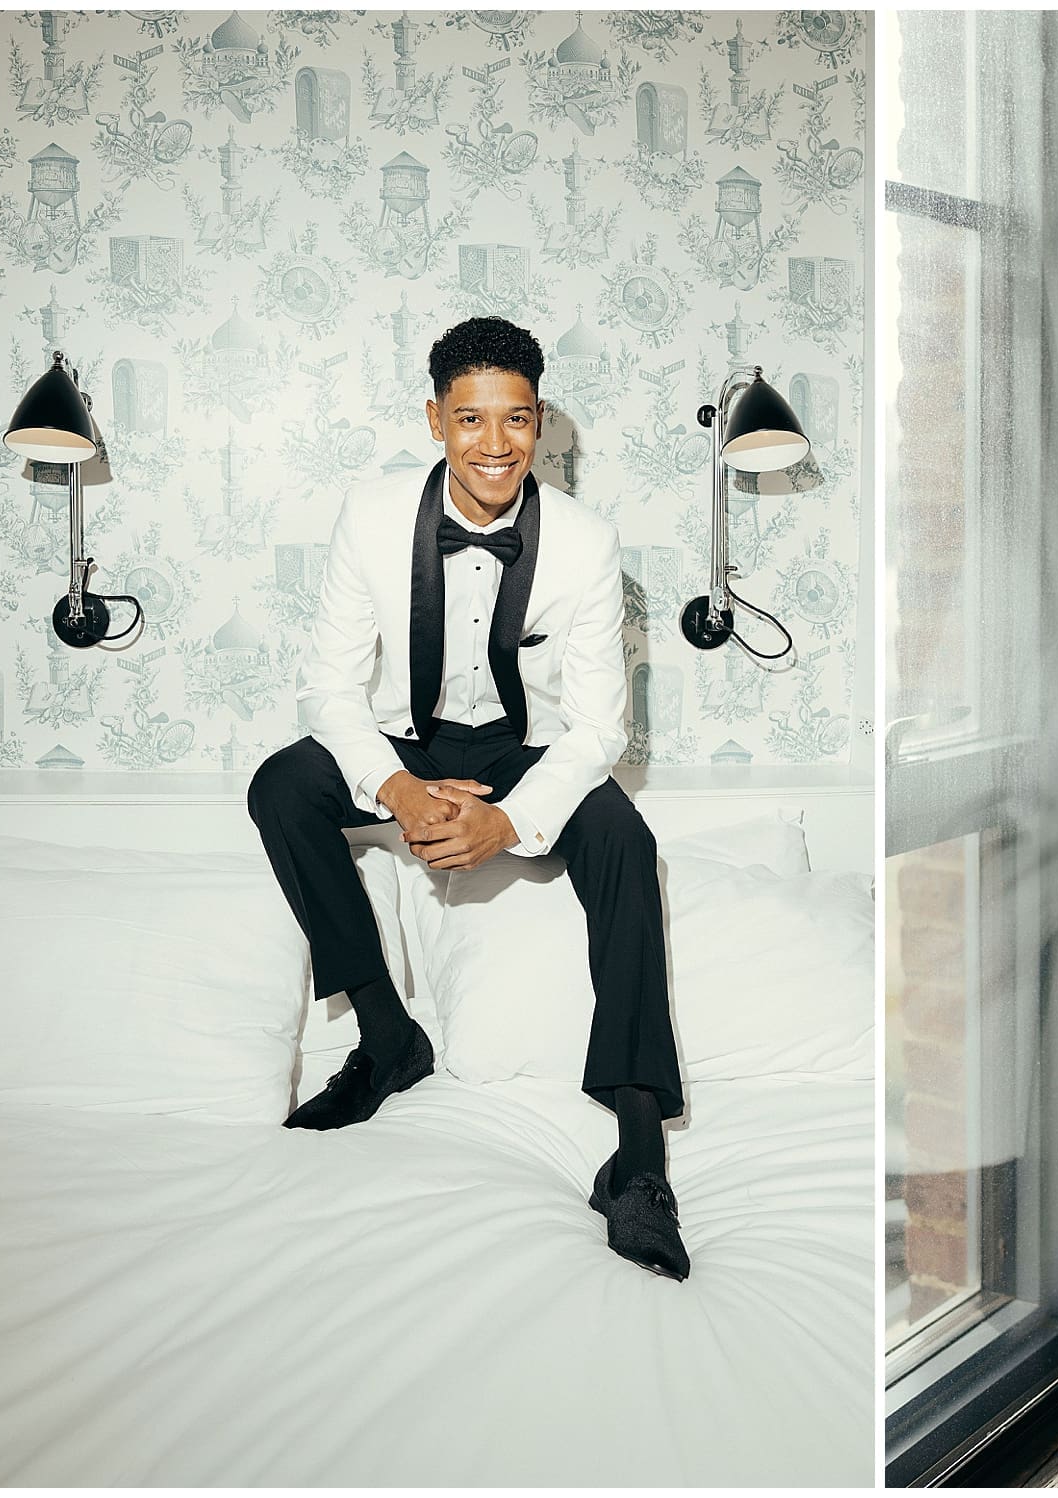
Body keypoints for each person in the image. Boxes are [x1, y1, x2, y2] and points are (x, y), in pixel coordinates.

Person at [247, 316, 691, 1281]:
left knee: (623, 836)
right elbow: (327, 690)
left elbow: (599, 731)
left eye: (518, 420)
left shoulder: (585, 542)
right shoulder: (369, 515)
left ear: (541, 422)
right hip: (408, 740)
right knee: (281, 785)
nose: (496, 445)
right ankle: (384, 1039)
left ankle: (640, 1153)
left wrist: (511, 820)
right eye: (472, 420)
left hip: (527, 749)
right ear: (436, 420)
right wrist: (398, 789)